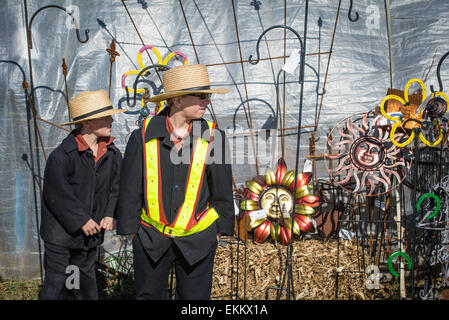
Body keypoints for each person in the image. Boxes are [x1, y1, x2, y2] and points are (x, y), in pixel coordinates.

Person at [115, 64, 235, 300]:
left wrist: (220, 231)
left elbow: (221, 189)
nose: (207, 102)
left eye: (208, 96)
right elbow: (129, 188)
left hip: (198, 240)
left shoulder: (214, 138)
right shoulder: (142, 136)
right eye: (201, 96)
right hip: (151, 239)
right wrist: (131, 232)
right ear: (177, 100)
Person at [39, 89, 127, 300]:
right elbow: (57, 195)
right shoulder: (63, 156)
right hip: (61, 234)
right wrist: (81, 220)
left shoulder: (111, 153)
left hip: (90, 234)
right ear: (86, 123)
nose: (111, 119)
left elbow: (116, 187)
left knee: (84, 279)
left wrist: (109, 213)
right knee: (57, 280)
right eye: (105, 116)